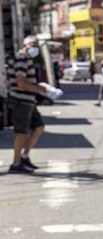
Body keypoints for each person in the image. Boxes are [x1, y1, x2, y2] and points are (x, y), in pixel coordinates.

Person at [6, 36, 48, 174]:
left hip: (28, 100)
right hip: (21, 100)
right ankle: (16, 164)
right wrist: (39, 89)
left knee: (39, 126)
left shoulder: (26, 58)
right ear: (26, 45)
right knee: (21, 133)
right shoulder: (22, 58)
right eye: (32, 44)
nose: (35, 47)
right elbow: (21, 82)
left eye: (36, 44)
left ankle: (24, 157)